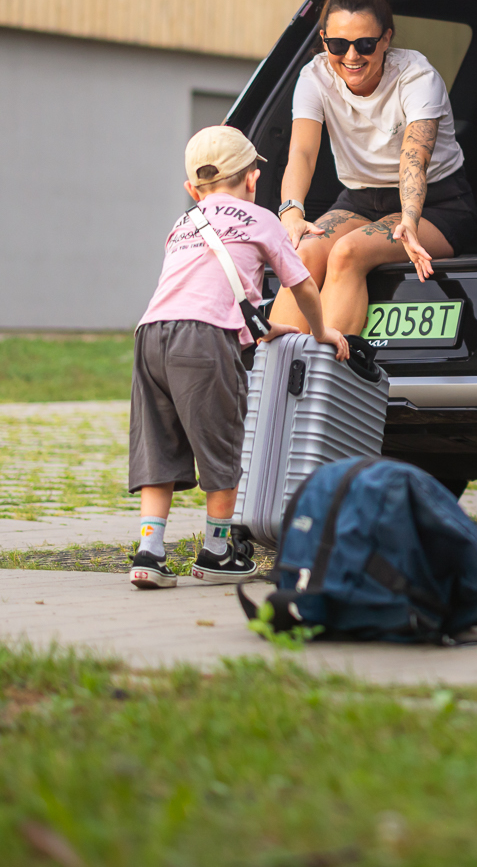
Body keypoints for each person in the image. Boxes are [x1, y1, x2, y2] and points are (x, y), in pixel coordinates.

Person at [129, 124, 350, 591]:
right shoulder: (262, 219)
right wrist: (321, 329)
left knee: (158, 445)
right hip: (204, 342)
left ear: (192, 189)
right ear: (253, 179)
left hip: (150, 335)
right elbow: (302, 283)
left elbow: (204, 289)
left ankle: (149, 552)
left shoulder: (182, 223)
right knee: (223, 441)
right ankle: (216, 552)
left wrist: (264, 328)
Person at [270, 0, 477, 338]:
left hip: (437, 204)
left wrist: (410, 221)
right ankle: (271, 380)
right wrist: (291, 212)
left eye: (365, 44)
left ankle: (328, 381)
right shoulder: (315, 77)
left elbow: (414, 155)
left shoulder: (416, 76)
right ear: (323, 41)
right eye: (338, 45)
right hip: (360, 199)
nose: (351, 56)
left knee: (349, 252)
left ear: (386, 39)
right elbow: (302, 152)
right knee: (302, 255)